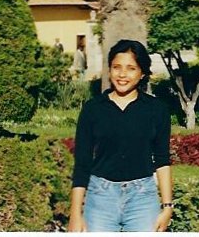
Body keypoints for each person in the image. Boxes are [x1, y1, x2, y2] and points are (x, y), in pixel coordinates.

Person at [68, 39, 173, 232]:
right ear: (109, 70)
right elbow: (82, 163)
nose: (122, 74)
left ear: (142, 73)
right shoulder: (93, 109)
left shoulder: (157, 110)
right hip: (100, 197)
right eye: (116, 67)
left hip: (142, 198)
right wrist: (75, 213)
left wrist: (167, 207)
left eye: (131, 68)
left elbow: (162, 160)